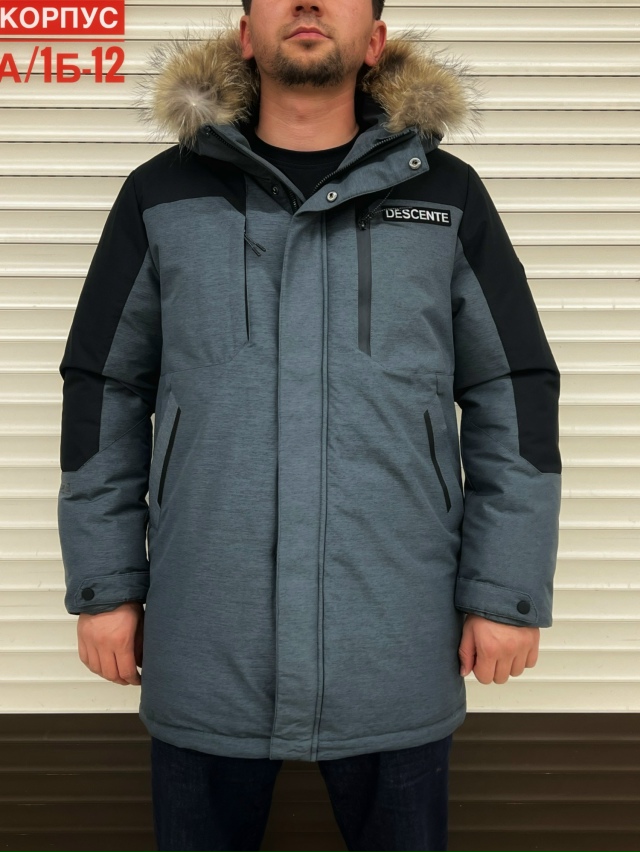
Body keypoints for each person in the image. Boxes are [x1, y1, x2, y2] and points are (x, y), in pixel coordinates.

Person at [56, 1, 562, 850]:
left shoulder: (444, 194)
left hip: (394, 633)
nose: (308, 2)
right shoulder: (162, 192)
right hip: (206, 628)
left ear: (376, 40)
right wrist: (106, 583)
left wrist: (505, 589)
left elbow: (513, 389)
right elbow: (102, 388)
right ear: (245, 32)